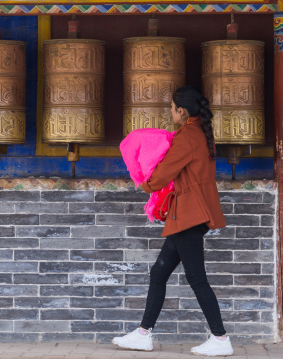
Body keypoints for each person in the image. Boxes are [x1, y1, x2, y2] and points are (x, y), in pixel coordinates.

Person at [112, 86, 233, 356]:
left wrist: (147, 184)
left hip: (190, 213)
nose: (170, 112)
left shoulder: (188, 135)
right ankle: (144, 334)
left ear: (181, 110)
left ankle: (220, 339)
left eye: (171, 108)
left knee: (197, 278)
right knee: (159, 273)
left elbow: (166, 171)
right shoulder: (200, 132)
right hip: (192, 212)